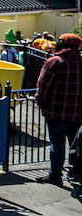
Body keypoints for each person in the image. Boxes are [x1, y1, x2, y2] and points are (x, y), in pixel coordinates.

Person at [36, 32, 82, 185]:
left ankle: (55, 175)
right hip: (78, 115)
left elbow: (42, 87)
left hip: (56, 113)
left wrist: (43, 106)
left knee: (57, 145)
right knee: (76, 146)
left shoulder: (55, 61)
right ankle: (76, 174)